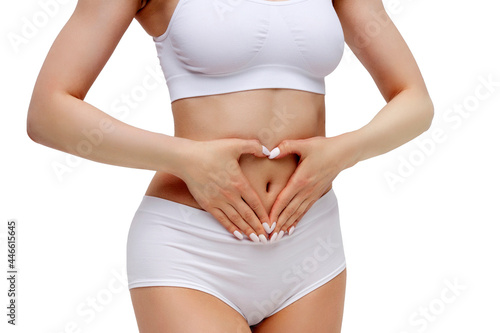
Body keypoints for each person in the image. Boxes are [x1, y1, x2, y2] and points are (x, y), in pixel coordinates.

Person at [26, 0, 434, 331]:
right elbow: (48, 112)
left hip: (311, 244)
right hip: (191, 248)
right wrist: (184, 158)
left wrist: (342, 152)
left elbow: (415, 100)